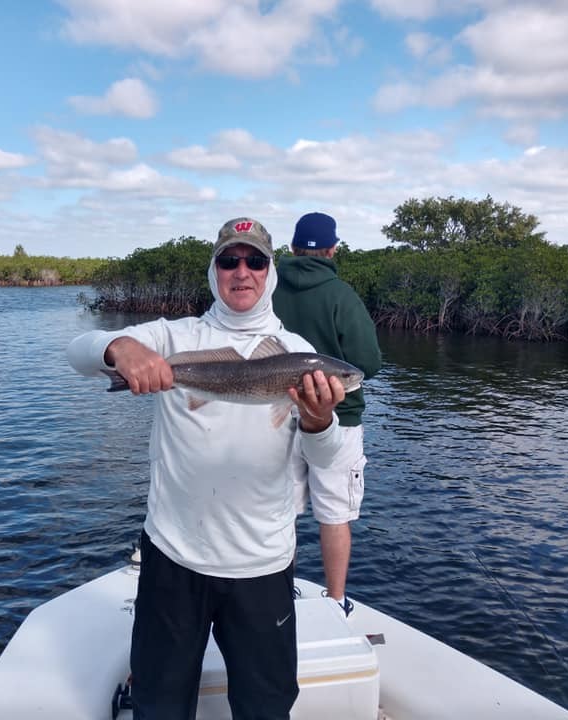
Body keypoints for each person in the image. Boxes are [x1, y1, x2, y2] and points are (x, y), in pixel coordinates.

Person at [67, 217, 348, 720]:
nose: (243, 272)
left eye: (256, 261)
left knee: (266, 710)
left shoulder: (299, 354)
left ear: (271, 272)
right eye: (229, 260)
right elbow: (78, 351)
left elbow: (326, 461)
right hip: (173, 559)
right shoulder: (174, 338)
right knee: (158, 706)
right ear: (214, 270)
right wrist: (120, 347)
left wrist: (320, 419)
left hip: (262, 566)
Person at [272, 211, 382, 618]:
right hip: (340, 421)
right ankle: (337, 601)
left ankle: (281, 593)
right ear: (334, 249)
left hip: (278, 413)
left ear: (292, 248)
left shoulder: (269, 290)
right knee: (335, 514)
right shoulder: (342, 295)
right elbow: (368, 363)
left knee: (283, 509)